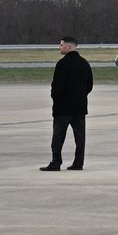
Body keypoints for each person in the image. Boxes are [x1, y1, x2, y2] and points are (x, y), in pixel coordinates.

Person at [44, 36, 93, 171]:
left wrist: (56, 98)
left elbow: (57, 86)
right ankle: (78, 163)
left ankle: (56, 162)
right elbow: (89, 85)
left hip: (63, 108)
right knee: (80, 137)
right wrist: (80, 96)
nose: (59, 47)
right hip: (80, 107)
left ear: (68, 47)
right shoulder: (84, 63)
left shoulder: (62, 64)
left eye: (61, 45)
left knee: (58, 136)